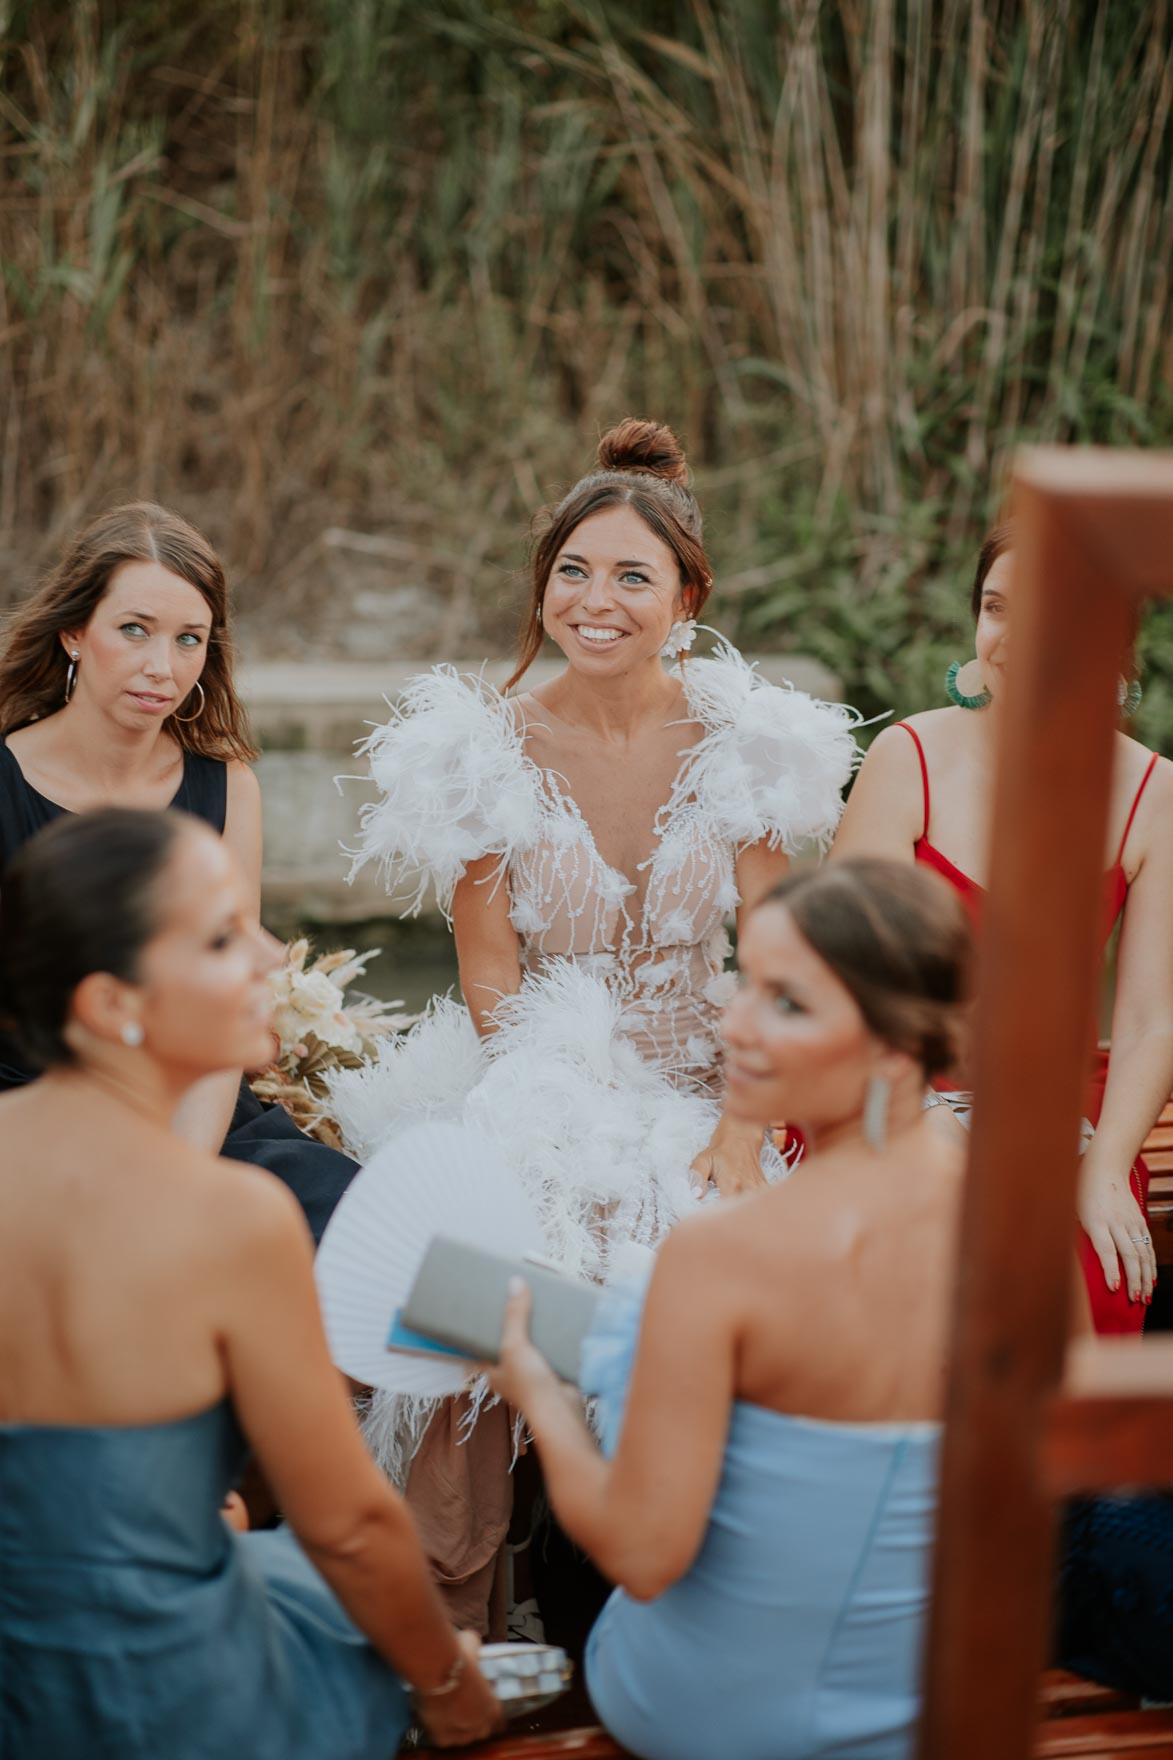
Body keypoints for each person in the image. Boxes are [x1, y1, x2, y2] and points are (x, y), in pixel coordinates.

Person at [328, 419, 859, 1616]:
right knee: (470, 1278)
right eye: (573, 570)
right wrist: (556, 1124)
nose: (596, 598)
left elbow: (779, 963)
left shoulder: (744, 743)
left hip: (709, 1072)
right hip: (530, 1069)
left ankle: (689, 1596)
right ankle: (453, 1616)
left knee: (715, 1252)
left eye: (632, 575)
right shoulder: (482, 750)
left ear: (687, 595)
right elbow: (490, 979)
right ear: (542, 584)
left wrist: (737, 1121)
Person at [0, 807, 501, 1758]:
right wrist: (449, 1690)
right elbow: (350, 1525)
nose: (275, 959)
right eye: (226, 936)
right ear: (112, 1005)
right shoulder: (230, 1217)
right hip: (162, 1698)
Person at [488, 859, 971, 1760]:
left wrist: (537, 1392)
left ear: (898, 1045)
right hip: (939, 1693)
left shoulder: (722, 1255)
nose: (734, 1022)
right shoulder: (1015, 1226)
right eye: (745, 983)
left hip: (723, 1715)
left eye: (788, 1004)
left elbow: (641, 1554)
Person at [831, 524, 1173, 1332]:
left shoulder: (1153, 794)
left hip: (1057, 1105)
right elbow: (840, 977)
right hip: (888, 1087)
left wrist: (1102, 1169)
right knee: (928, 1255)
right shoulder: (906, 757)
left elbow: (1150, 1016)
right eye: (994, 608)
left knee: (1093, 1275)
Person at [0, 501, 358, 1244]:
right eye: (134, 630)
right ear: (74, 632)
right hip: (27, 1112)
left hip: (196, 1109)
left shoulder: (227, 787)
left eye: (188, 640)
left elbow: (228, 1008)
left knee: (354, 1226)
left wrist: (175, 1182)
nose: (161, 668)